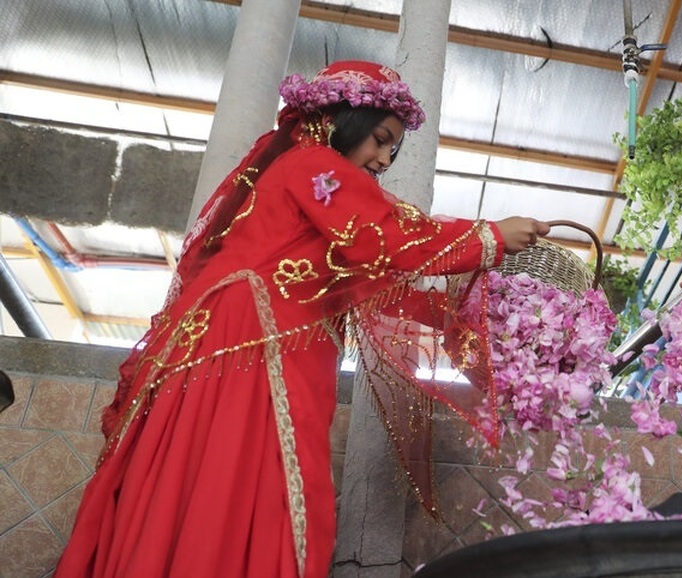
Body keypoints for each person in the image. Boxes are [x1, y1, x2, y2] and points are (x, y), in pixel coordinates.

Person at [55, 60, 549, 578]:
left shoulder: (305, 174)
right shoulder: (312, 164)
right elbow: (381, 238)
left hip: (258, 336)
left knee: (236, 478)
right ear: (343, 119)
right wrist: (487, 237)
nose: (383, 159)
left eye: (391, 149)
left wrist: (476, 320)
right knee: (247, 476)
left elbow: (380, 280)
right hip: (254, 338)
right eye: (380, 140)